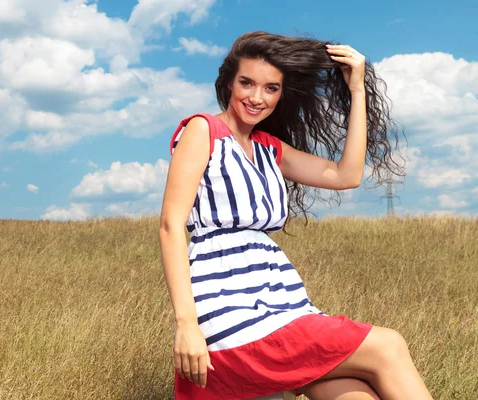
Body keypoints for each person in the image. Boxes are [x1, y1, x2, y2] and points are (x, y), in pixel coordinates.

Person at [158, 31, 433, 400]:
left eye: (271, 88)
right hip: (230, 308)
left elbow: (346, 175)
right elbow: (171, 226)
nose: (257, 97)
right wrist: (186, 324)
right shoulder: (202, 130)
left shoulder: (269, 148)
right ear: (227, 83)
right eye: (247, 83)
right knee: (388, 345)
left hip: (283, 303)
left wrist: (356, 92)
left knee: (355, 395)